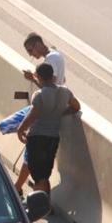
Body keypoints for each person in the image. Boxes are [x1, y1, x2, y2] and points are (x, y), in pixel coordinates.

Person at [13, 32, 66, 194]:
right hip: (52, 130)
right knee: (36, 164)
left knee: (34, 163)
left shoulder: (51, 61)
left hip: (41, 129)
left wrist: (33, 79)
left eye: (31, 50)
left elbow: (48, 88)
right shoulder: (56, 57)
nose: (31, 55)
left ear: (37, 44)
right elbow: (60, 85)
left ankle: (21, 190)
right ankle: (18, 187)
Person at [17, 63, 80, 194]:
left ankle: (42, 204)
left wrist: (21, 128)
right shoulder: (65, 92)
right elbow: (76, 107)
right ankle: (45, 203)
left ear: (38, 77)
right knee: (44, 174)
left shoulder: (39, 94)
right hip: (53, 138)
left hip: (37, 138)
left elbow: (33, 114)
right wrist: (62, 113)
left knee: (38, 175)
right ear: (52, 76)